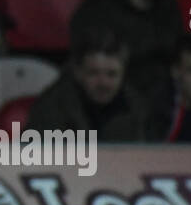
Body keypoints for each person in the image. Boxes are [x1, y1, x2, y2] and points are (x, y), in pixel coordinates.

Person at [25, 28, 154, 141]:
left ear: (123, 74)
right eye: (93, 73)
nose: (103, 83)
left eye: (112, 74)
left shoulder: (138, 110)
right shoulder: (50, 109)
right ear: (78, 72)